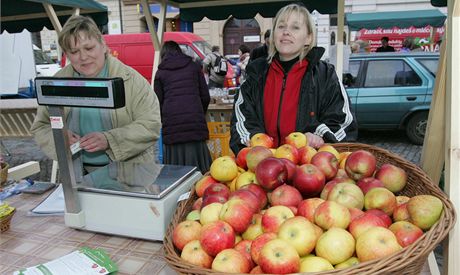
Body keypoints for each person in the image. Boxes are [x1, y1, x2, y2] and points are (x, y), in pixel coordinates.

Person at [31, 15, 161, 179]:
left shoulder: (132, 81)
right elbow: (41, 126)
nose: (83, 57)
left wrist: (110, 140)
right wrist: (58, 136)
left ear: (103, 46)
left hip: (131, 173)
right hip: (77, 173)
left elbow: (151, 125)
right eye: (74, 52)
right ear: (67, 55)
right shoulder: (57, 83)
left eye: (89, 48)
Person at [230, 3, 357, 154]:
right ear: (273, 35)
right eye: (281, 26)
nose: (286, 32)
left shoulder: (325, 75)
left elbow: (343, 122)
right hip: (262, 169)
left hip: (311, 169)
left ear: (308, 38)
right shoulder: (256, 74)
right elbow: (242, 120)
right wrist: (256, 143)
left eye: (295, 27)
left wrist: (320, 135)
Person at [154, 41, 212, 173]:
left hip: (173, 126)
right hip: (195, 124)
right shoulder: (194, 66)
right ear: (179, 51)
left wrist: (165, 120)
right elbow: (205, 96)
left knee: (176, 173)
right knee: (202, 174)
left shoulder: (161, 73)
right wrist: (198, 114)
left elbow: (157, 103)